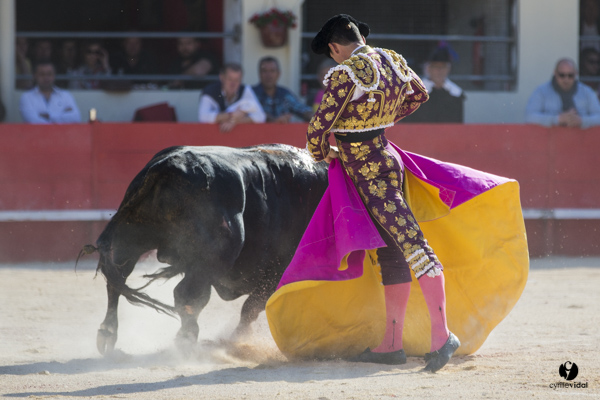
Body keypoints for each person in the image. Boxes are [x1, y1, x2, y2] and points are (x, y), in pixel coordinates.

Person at [306, 14, 459, 372]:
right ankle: (391, 344)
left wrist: (323, 152)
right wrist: (384, 116)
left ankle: (442, 336)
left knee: (413, 245)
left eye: (331, 53)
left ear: (334, 47)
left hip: (369, 172)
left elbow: (318, 129)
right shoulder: (392, 59)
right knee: (392, 252)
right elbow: (419, 94)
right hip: (387, 156)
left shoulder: (345, 74)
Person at [525, 58, 600, 128]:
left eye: (570, 75)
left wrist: (581, 121)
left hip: (581, 136)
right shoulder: (541, 91)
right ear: (555, 73)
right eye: (562, 75)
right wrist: (557, 119)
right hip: (551, 136)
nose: (566, 79)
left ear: (576, 74)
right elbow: (529, 117)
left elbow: (598, 117)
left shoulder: (587, 92)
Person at [403, 45, 465, 123]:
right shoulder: (415, 93)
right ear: (428, 68)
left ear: (448, 69)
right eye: (436, 67)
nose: (439, 71)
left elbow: (458, 122)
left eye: (443, 67)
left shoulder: (456, 93)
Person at [198, 63, 266, 132]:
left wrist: (235, 121)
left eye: (237, 80)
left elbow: (261, 116)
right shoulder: (210, 91)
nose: (233, 84)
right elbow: (203, 117)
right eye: (230, 79)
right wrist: (231, 115)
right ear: (221, 77)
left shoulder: (244, 90)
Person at [252, 56, 313, 123]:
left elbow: (301, 108)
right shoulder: (251, 94)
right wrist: (274, 121)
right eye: (264, 71)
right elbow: (249, 114)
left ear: (278, 74)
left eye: (272, 71)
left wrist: (311, 116)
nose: (268, 75)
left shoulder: (284, 94)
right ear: (259, 73)